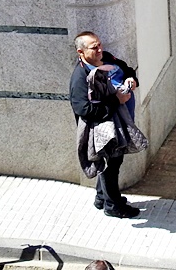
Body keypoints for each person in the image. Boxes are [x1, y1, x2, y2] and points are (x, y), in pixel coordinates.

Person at [69, 32, 141, 218]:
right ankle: (113, 206)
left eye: (100, 45)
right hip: (103, 127)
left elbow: (127, 69)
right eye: (94, 48)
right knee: (112, 163)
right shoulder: (80, 77)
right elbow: (83, 109)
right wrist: (116, 101)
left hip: (120, 121)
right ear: (81, 52)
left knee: (113, 161)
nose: (100, 50)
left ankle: (102, 197)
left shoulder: (107, 58)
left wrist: (131, 79)